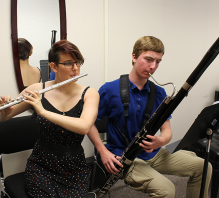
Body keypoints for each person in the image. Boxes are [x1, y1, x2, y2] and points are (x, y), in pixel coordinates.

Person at [88, 36, 212, 198]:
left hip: (154, 154)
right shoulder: (109, 89)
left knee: (204, 166)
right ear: (134, 57)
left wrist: (162, 140)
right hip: (123, 156)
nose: (153, 67)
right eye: (148, 59)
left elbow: (167, 131)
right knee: (166, 190)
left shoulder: (159, 92)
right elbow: (88, 123)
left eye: (158, 62)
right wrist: (102, 151)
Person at [0, 40, 99, 197]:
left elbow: (84, 126)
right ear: (53, 67)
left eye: (78, 62)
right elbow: (2, 117)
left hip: (74, 167)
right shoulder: (37, 90)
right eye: (69, 63)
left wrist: (43, 111)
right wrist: (3, 110)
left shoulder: (90, 93)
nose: (76, 68)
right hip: (42, 165)